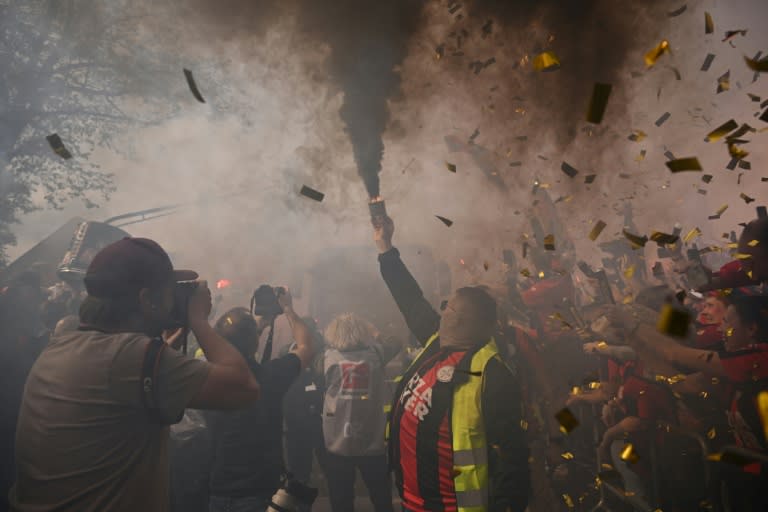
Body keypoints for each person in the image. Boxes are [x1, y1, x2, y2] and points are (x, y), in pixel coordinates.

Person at [9, 237, 260, 512]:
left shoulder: (59, 348)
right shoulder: (133, 357)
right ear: (146, 300)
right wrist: (198, 320)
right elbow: (243, 387)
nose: (175, 301)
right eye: (168, 293)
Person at [373, 215, 530, 512]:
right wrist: (386, 248)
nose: (441, 310)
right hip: (413, 503)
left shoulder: (492, 376)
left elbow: (514, 460)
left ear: (460, 321)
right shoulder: (438, 344)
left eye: (449, 307)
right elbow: (410, 298)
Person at [207, 294, 314, 512]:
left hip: (218, 491)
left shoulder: (207, 379)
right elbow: (306, 346)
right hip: (258, 493)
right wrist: (287, 309)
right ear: (254, 341)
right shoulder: (270, 377)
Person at [320, 313, 401, 512]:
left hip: (337, 440)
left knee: (341, 497)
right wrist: (375, 331)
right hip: (371, 437)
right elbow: (396, 342)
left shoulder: (325, 358)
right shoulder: (377, 353)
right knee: (381, 495)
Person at [282, 318, 327, 492]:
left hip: (321, 420)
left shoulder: (323, 353)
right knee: (299, 473)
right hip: (295, 422)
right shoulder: (287, 351)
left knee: (330, 468)